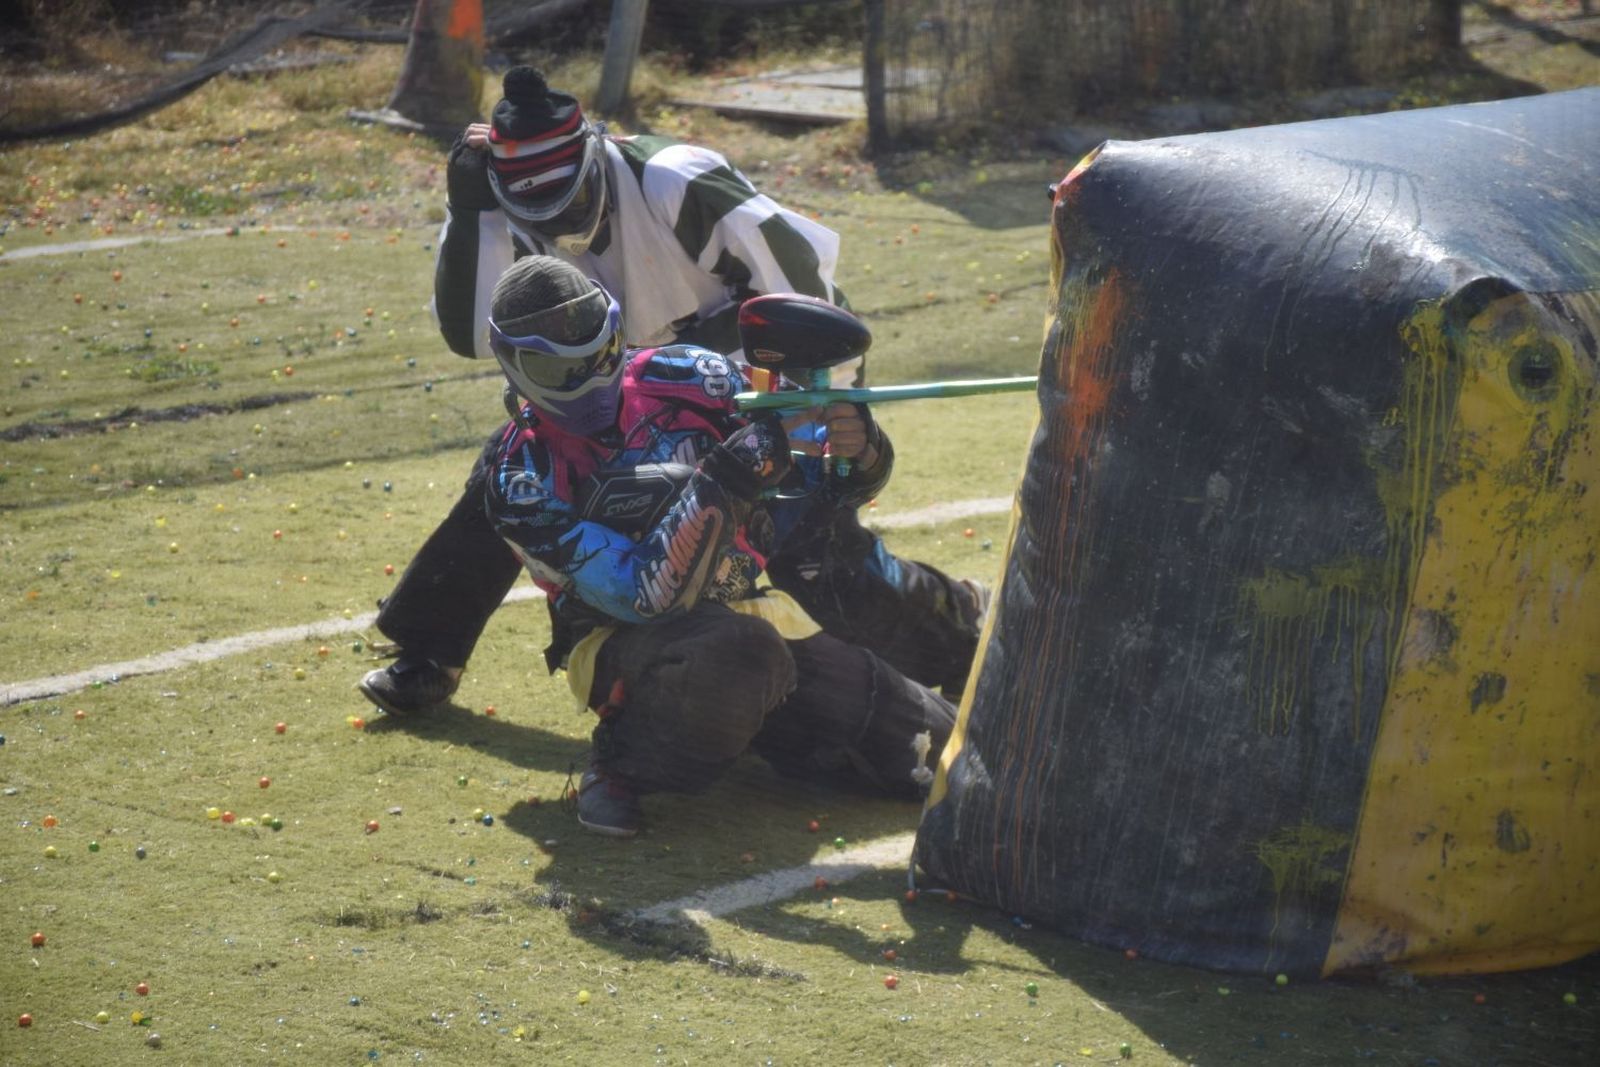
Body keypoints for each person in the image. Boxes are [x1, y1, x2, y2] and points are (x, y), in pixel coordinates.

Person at [359, 66, 986, 717]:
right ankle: (432, 649)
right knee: (517, 468)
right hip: (611, 389)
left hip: (743, 386)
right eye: (537, 211)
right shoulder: (494, 206)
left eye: (574, 201)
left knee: (813, 553)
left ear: (596, 155)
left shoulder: (677, 178)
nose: (563, 224)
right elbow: (470, 335)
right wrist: (469, 207)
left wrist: (822, 423)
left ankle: (962, 629)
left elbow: (805, 287)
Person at [479, 255, 956, 836]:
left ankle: (762, 730)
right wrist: (730, 477)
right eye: (559, 373)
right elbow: (643, 598)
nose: (588, 384)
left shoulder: (693, 378)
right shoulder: (521, 478)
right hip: (623, 642)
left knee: (942, 754)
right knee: (740, 652)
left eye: (600, 358)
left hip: (757, 614)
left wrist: (856, 452)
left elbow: (814, 488)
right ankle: (622, 764)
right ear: (513, 364)